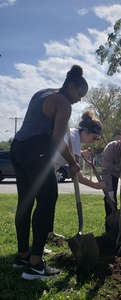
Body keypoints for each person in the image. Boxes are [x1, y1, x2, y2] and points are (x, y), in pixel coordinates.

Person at [10, 65, 88, 280]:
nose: (79, 99)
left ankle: (23, 255)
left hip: (17, 147)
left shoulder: (42, 93)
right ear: (71, 86)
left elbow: (58, 134)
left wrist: (71, 157)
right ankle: (35, 265)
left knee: (25, 202)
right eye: (79, 94)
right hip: (36, 148)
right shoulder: (63, 102)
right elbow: (56, 139)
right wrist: (73, 163)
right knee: (48, 199)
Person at [49, 110, 106, 239]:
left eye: (97, 139)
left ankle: (49, 233)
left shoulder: (75, 136)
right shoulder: (74, 140)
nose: (94, 141)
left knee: (50, 200)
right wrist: (94, 185)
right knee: (46, 202)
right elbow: (76, 175)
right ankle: (42, 240)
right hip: (43, 168)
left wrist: (81, 153)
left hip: (49, 168)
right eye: (94, 137)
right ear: (85, 131)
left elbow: (69, 151)